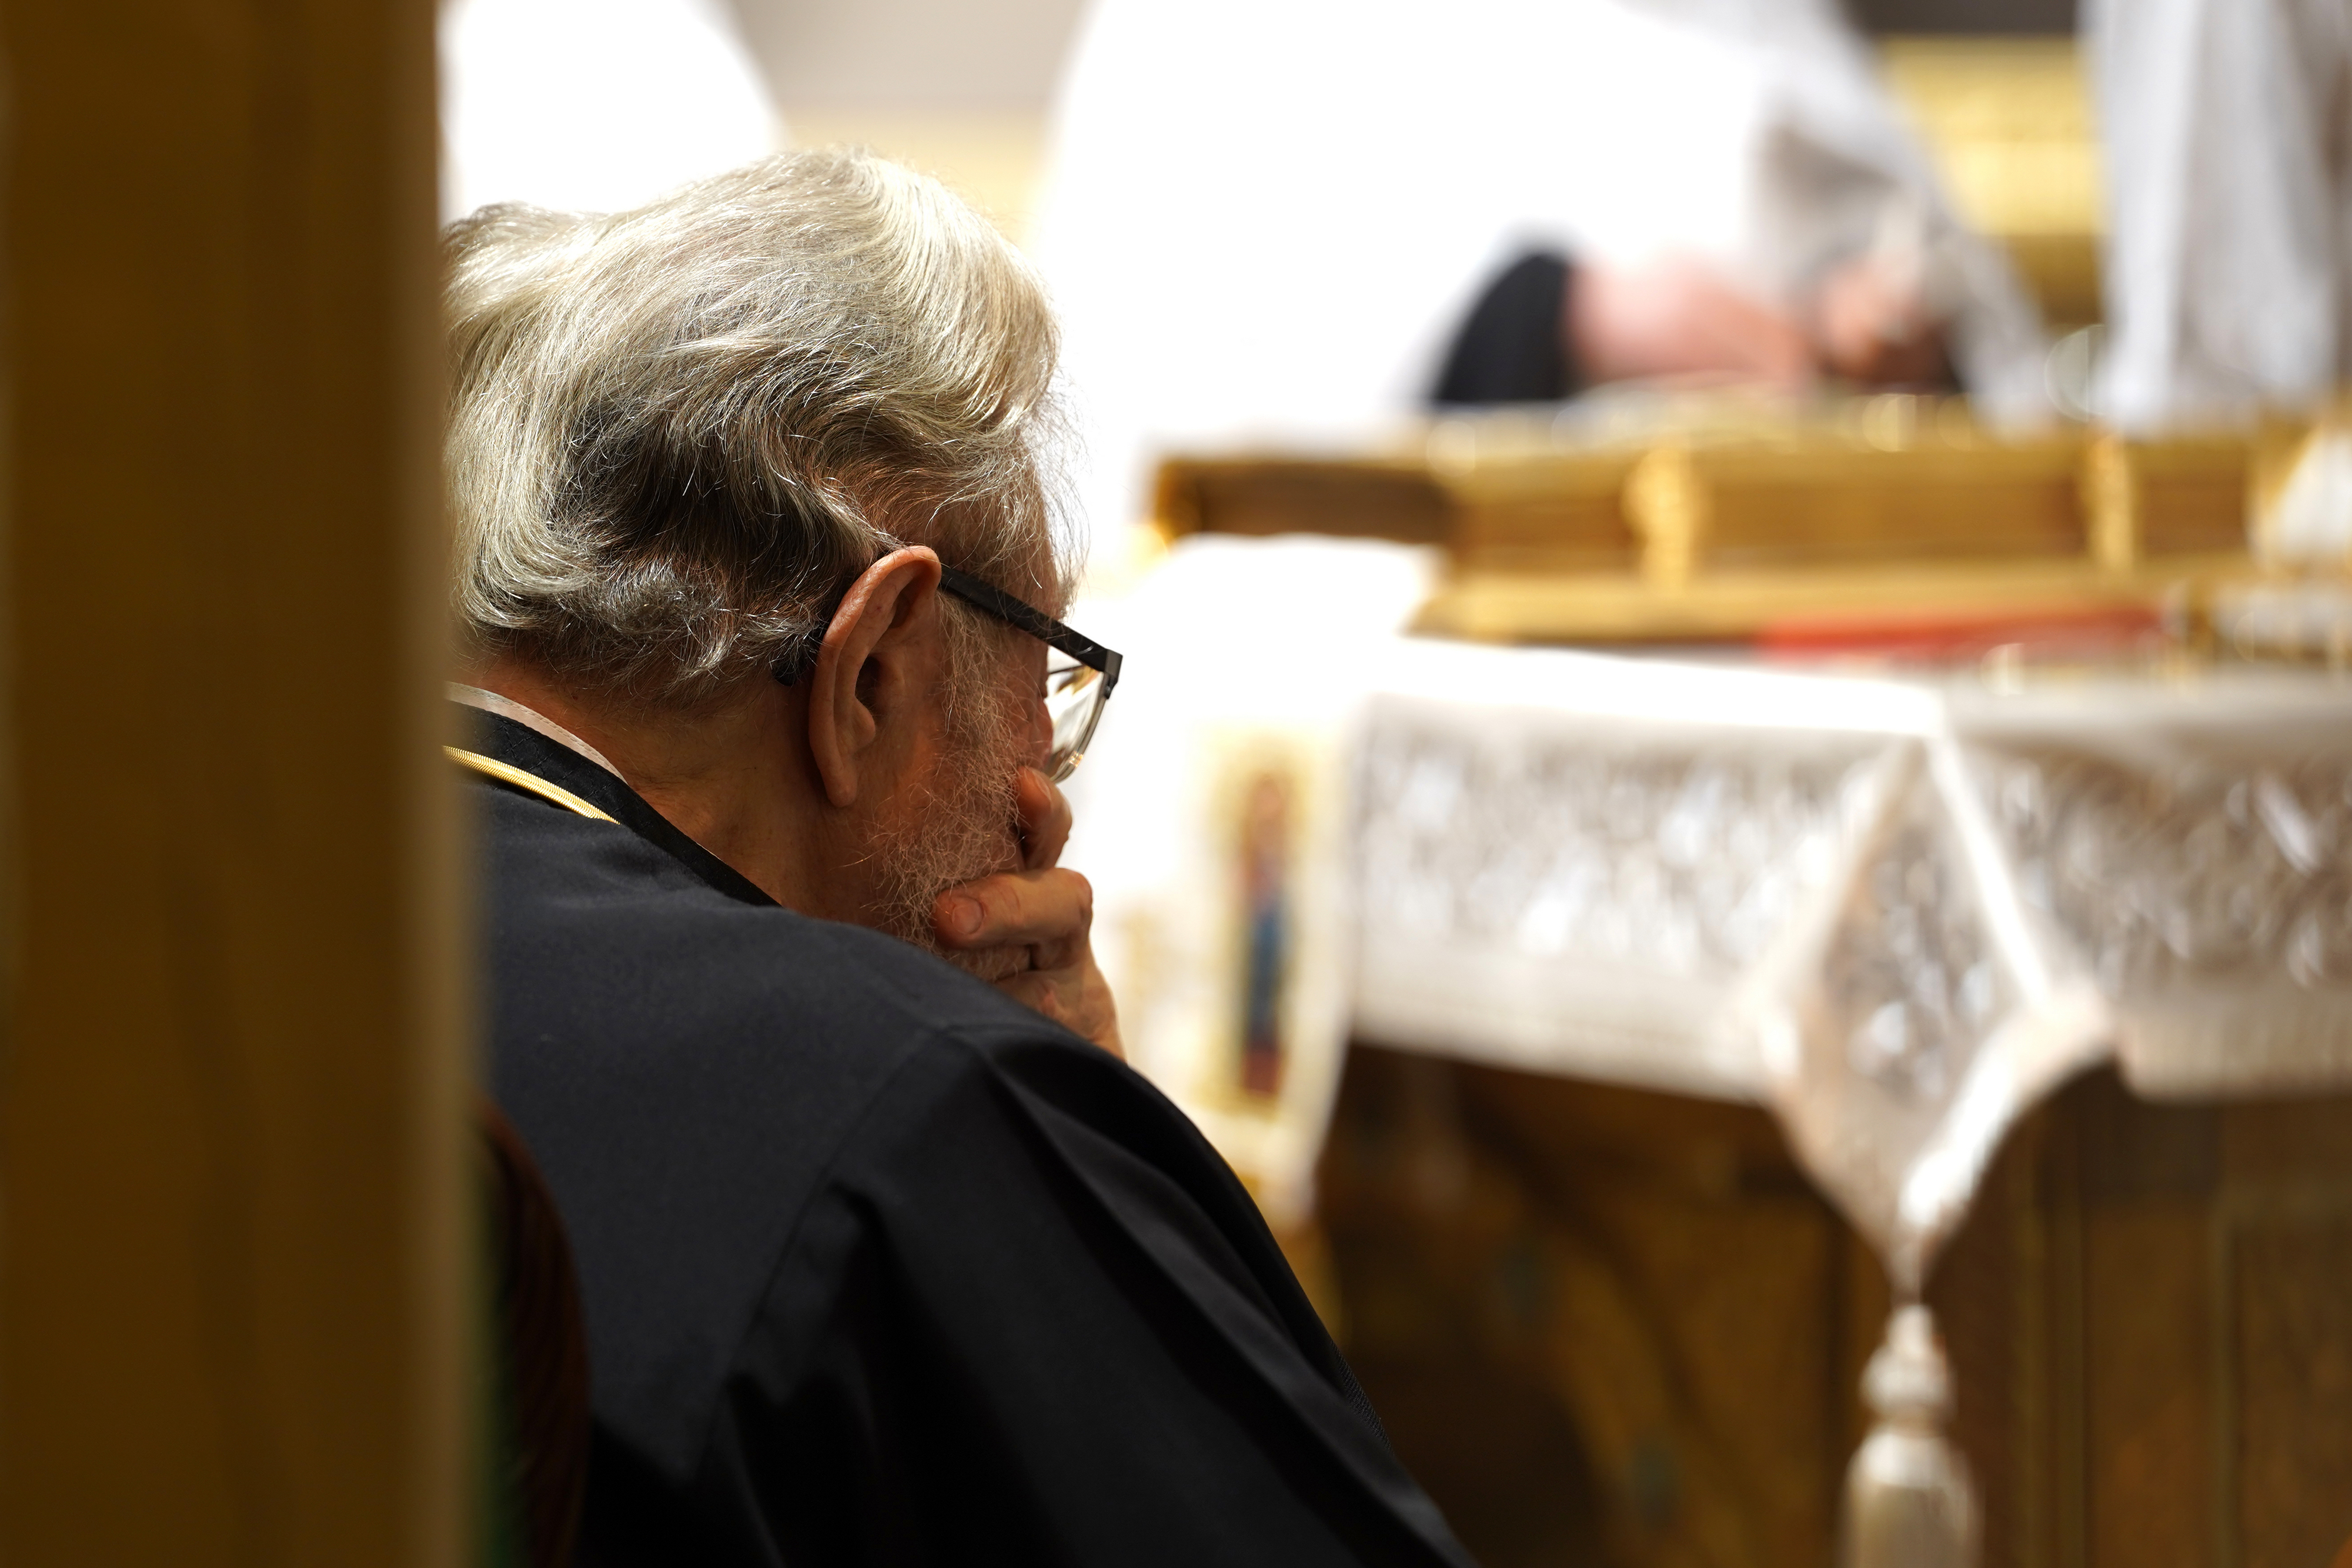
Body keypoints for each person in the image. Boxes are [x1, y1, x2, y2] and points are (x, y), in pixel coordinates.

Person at [443, 149, 1473, 1566]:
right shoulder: (907, 1107)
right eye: (1045, 672)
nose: (1043, 802)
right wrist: (1056, 1148)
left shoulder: (153, 950)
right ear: (866, 674)